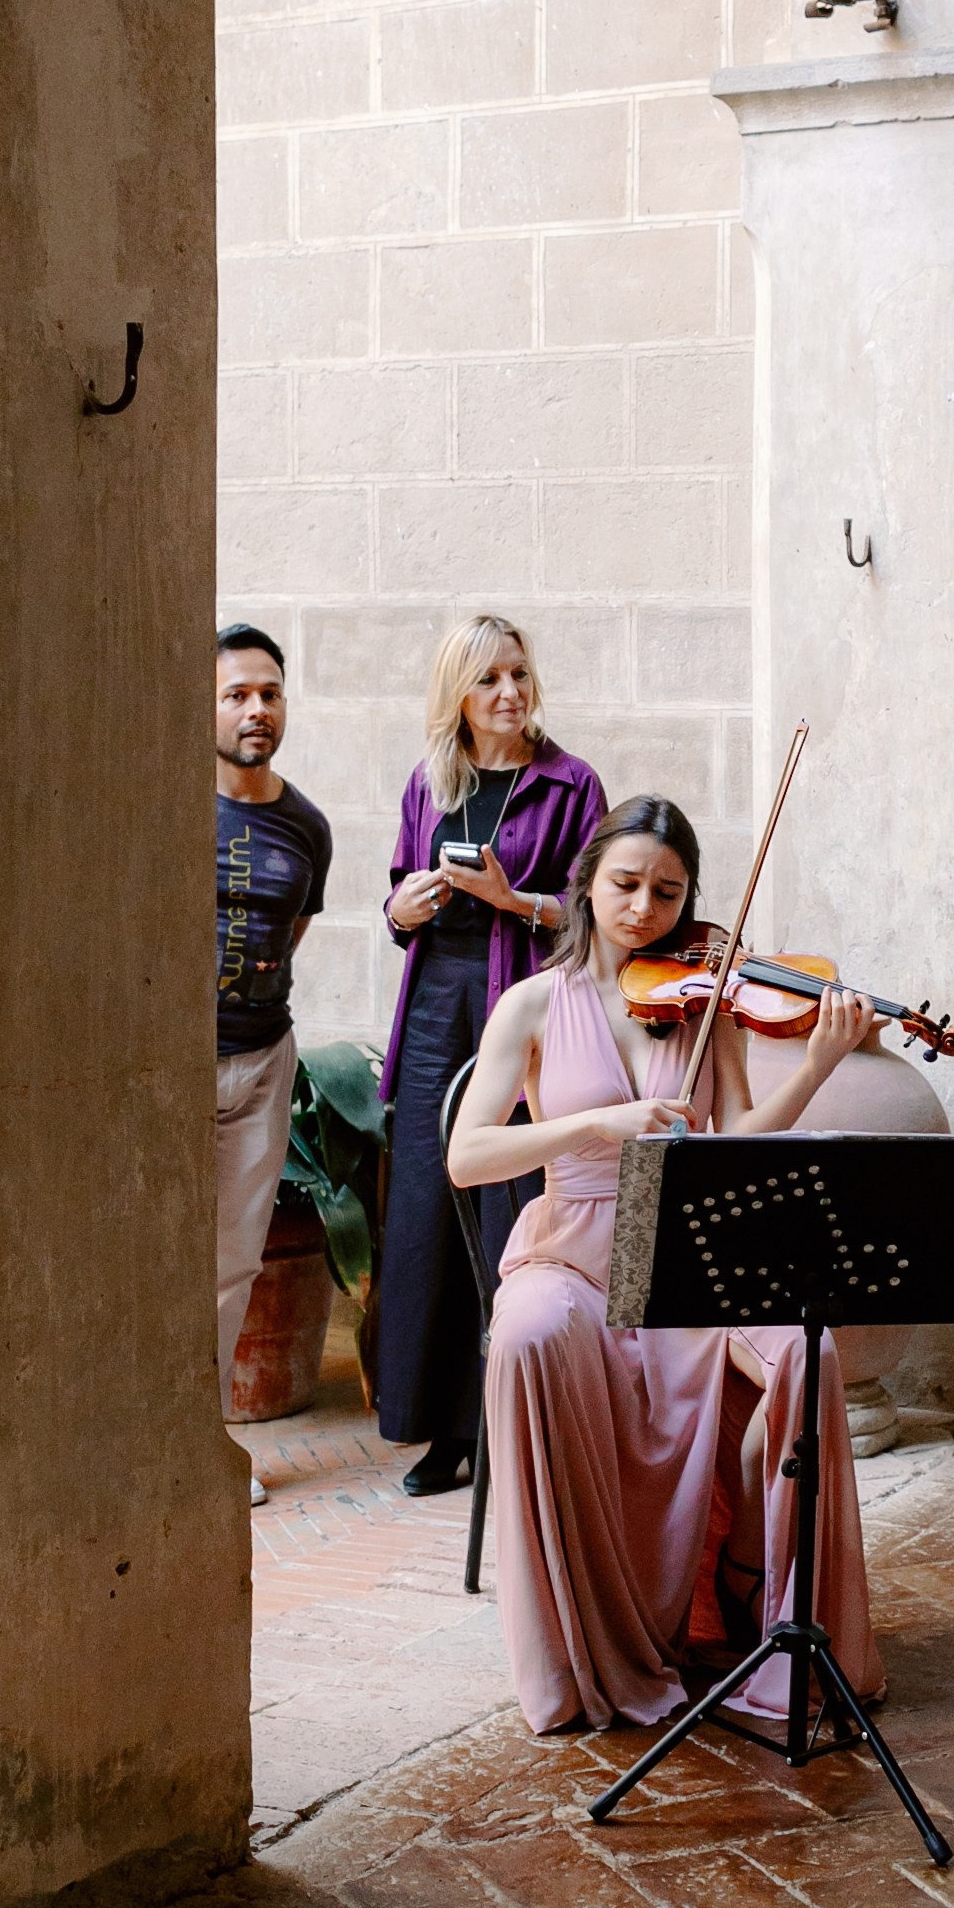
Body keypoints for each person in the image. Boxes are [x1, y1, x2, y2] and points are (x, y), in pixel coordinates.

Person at [448, 797, 885, 1735]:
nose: (643, 907)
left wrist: (811, 1066)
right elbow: (466, 1153)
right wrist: (593, 1124)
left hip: (694, 1253)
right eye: (626, 884)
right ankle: (584, 1642)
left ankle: (758, 1596)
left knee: (809, 1354)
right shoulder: (531, 1002)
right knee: (526, 1332)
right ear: (586, 882)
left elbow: (737, 1140)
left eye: (667, 891)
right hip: (573, 1247)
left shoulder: (704, 1001)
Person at [377, 615, 606, 1497]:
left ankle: (505, 1420)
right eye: (488, 680)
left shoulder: (571, 782)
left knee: (512, 1209)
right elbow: (393, 906)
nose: (509, 693)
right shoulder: (431, 782)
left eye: (518, 673)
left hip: (522, 1006)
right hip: (439, 1004)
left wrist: (515, 899)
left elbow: (593, 917)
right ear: (458, 697)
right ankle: (442, 1430)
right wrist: (406, 905)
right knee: (429, 1212)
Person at [215, 625, 333, 1504]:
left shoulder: (307, 826)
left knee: (232, 1262)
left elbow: (287, 936)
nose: (257, 709)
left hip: (261, 1058)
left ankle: (203, 1438)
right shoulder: (161, 802)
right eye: (237, 694)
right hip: (166, 1063)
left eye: (269, 693)